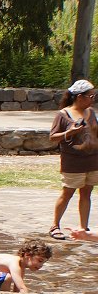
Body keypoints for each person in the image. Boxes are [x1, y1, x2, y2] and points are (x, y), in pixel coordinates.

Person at [48, 79, 98, 240]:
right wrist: (69, 133)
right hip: (73, 162)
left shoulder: (91, 112)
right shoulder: (63, 115)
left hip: (92, 160)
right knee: (67, 193)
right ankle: (55, 225)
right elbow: (53, 137)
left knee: (86, 193)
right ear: (79, 97)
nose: (93, 98)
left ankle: (83, 228)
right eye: (91, 95)